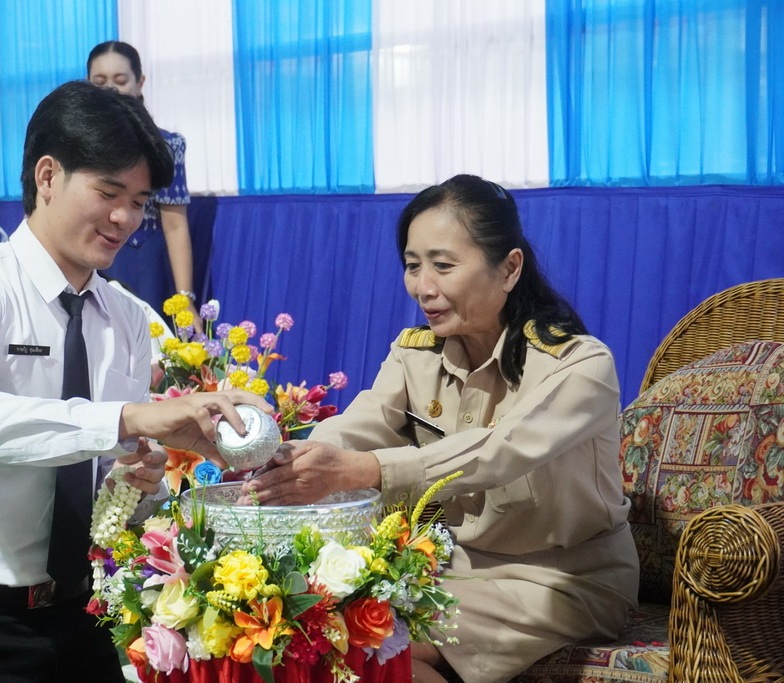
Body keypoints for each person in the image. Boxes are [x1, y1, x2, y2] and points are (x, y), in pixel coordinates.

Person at [0, 81, 270, 682]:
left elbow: (104, 469)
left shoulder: (128, 317)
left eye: (139, 201)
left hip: (80, 615)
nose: (125, 218)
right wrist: (127, 419)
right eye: (108, 192)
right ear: (47, 176)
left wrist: (140, 478)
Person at [241, 175, 639, 683]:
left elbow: (499, 451)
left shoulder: (580, 365)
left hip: (563, 579)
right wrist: (290, 462)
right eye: (413, 266)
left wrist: (364, 470)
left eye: (444, 266)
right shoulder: (416, 354)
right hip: (449, 568)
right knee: (327, 629)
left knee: (378, 643)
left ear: (509, 268)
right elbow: (359, 424)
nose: (423, 287)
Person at [86, 40, 202, 331]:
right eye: (99, 82)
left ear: (140, 83)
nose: (110, 90)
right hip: (86, 255)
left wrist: (185, 299)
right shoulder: (77, 145)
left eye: (120, 80)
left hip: (141, 262)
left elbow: (175, 226)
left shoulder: (165, 145)